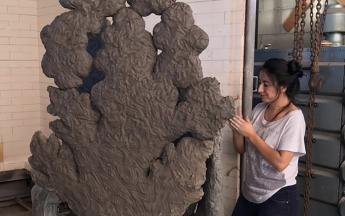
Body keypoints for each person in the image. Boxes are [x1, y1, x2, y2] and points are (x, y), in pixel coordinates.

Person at [229, 58, 306, 216]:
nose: (259, 89)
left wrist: (251, 134)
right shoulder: (259, 109)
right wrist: (236, 129)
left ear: (283, 87)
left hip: (278, 197)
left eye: (266, 84)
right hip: (250, 192)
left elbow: (280, 163)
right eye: (260, 83)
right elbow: (241, 149)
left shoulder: (294, 118)